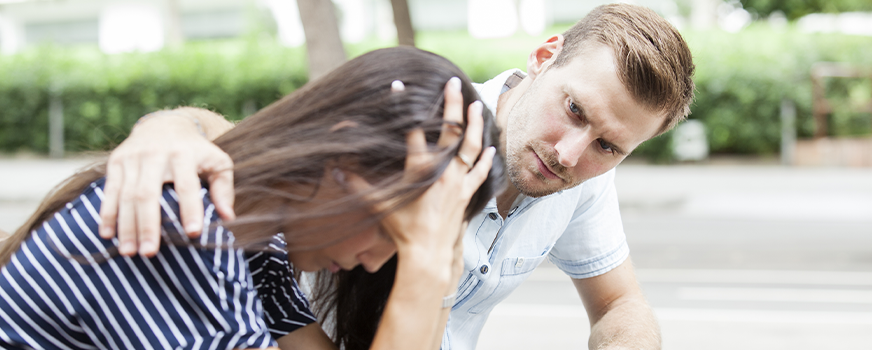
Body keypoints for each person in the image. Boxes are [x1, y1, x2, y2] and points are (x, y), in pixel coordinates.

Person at [100, 3, 695, 349]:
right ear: (544, 58)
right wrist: (168, 128)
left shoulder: (585, 174)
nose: (571, 154)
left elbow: (622, 303)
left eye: (609, 146)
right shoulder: (428, 122)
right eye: (573, 110)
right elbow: (275, 149)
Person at [0, 47, 503, 350]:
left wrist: (444, 253)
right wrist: (427, 261)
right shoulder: (189, 230)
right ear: (341, 160)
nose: (376, 264)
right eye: (396, 227)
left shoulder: (256, 239)